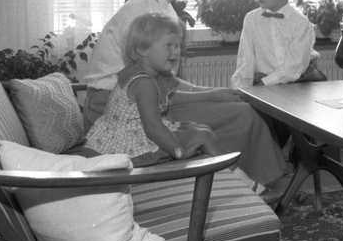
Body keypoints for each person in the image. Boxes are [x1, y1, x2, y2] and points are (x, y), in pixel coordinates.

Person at [81, 0, 290, 187]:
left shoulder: (159, 6)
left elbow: (166, 82)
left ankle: (245, 183)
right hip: (120, 114)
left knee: (239, 109)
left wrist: (214, 92)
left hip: (142, 103)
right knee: (243, 115)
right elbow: (154, 89)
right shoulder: (142, 12)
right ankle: (252, 185)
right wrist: (212, 94)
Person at [85, 13, 245, 168]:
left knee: (200, 129)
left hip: (122, 136)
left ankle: (233, 175)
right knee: (204, 136)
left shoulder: (136, 72)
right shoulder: (144, 83)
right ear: (142, 49)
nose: (176, 52)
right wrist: (180, 152)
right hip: (128, 146)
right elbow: (153, 128)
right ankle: (242, 179)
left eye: (177, 45)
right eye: (168, 45)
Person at [231, 0, 323, 91]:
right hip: (262, 86)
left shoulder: (300, 24)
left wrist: (265, 84)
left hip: (296, 86)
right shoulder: (251, 19)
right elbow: (246, 61)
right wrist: (242, 89)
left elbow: (294, 66)